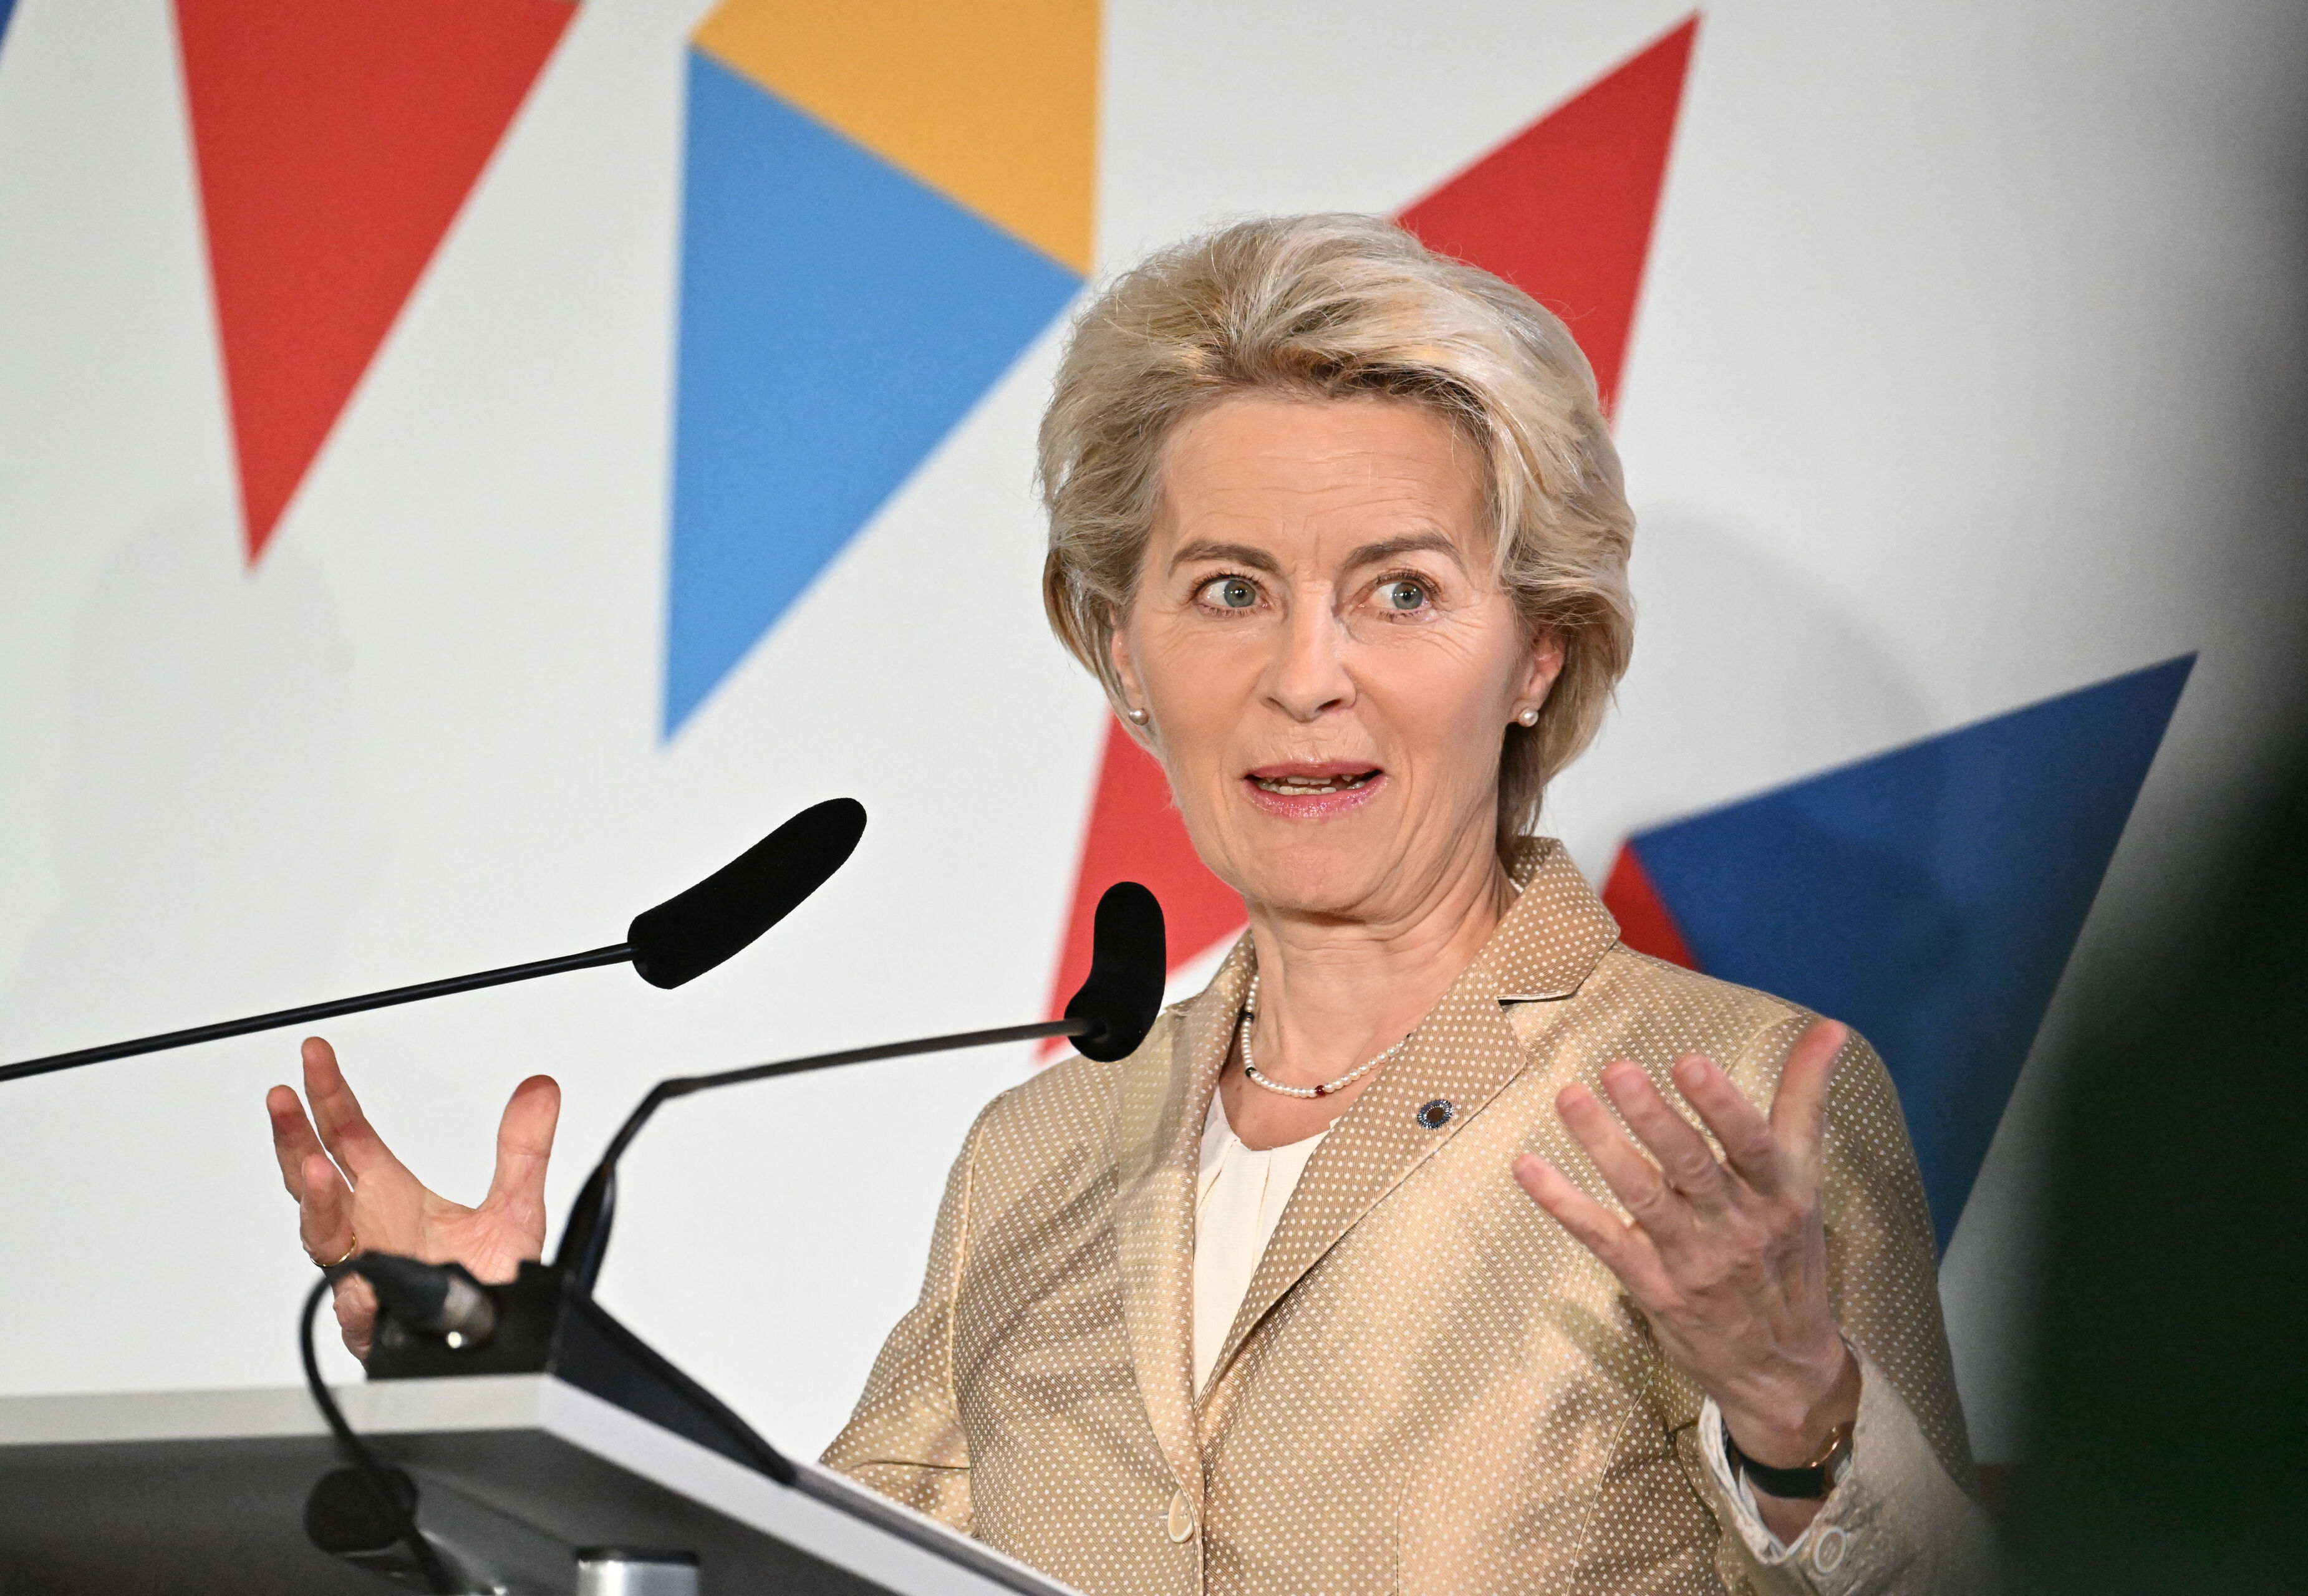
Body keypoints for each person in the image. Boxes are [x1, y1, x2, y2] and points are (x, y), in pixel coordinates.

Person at [269, 214, 1996, 1594]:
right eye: (1229, 590)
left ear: (1538, 650)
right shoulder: (1039, 1155)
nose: (1306, 676)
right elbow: (821, 1574)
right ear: (1121, 649)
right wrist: (521, 1377)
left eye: (1401, 591)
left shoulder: (1724, 1109)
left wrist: (1803, 1424)